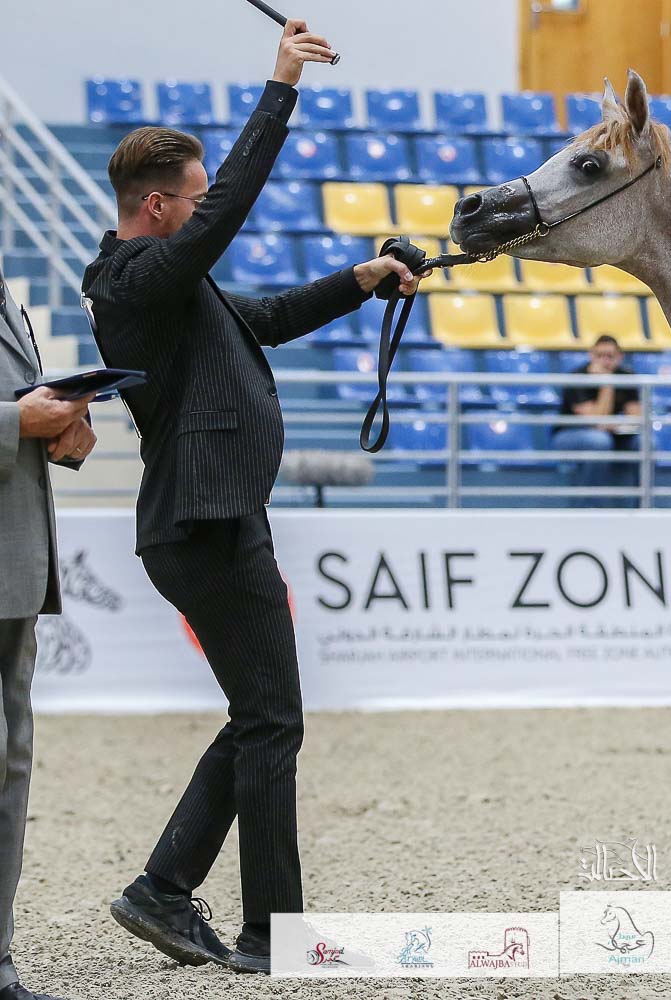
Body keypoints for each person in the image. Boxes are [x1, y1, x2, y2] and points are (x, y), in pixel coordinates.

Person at [80, 20, 422, 975]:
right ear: (157, 206)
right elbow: (225, 212)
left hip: (215, 517)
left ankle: (165, 891)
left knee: (262, 717)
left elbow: (264, 318)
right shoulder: (131, 279)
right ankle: (271, 933)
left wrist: (361, 280)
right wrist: (281, 88)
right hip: (204, 522)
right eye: (192, 200)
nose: (205, 212)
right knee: (272, 721)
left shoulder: (172, 286)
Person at [0, 261, 95, 1000]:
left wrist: (61, 426)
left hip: (16, 566)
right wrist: (14, 424)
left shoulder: (6, 290)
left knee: (10, 767)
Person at [555, 335, 642, 507]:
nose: (604, 361)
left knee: (645, 442)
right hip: (570, 433)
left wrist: (616, 424)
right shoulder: (577, 377)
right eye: (599, 355)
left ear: (620, 357)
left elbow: (636, 417)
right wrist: (607, 384)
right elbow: (596, 420)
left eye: (610, 356)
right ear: (591, 356)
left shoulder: (626, 375)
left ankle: (643, 504)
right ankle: (592, 507)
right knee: (599, 441)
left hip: (612, 432)